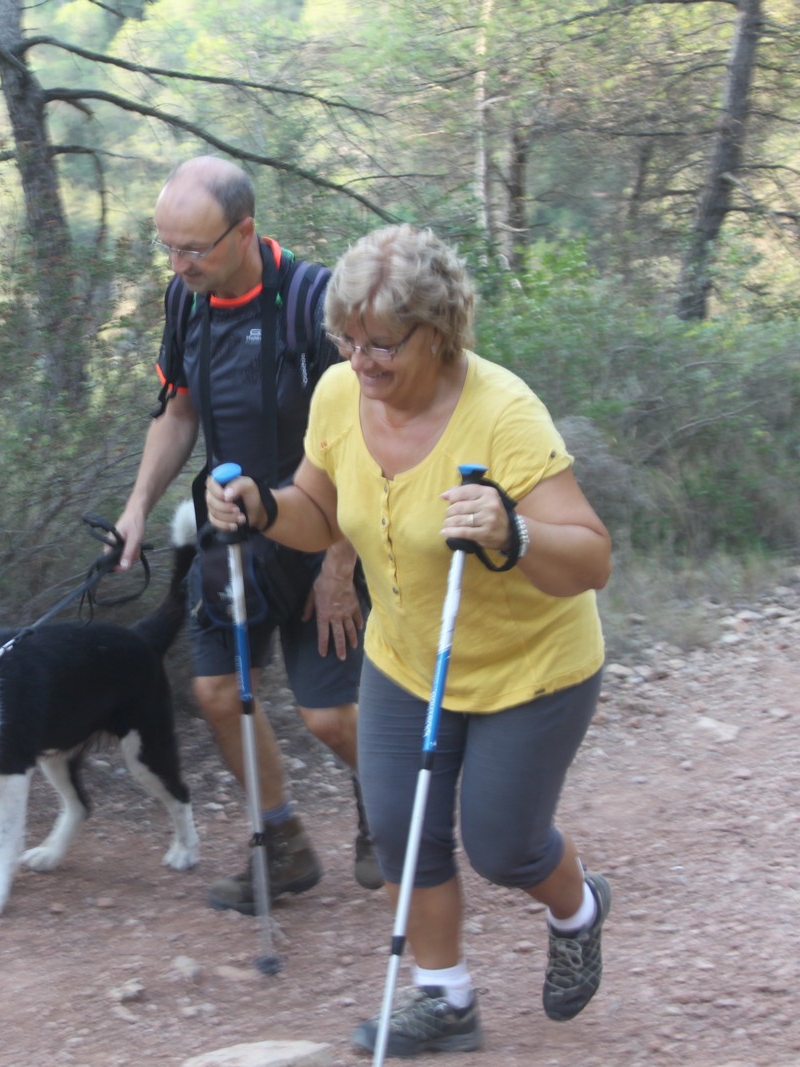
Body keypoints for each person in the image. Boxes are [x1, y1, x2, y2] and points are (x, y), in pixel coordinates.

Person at [205, 223, 613, 1055]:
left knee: (504, 845)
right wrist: (263, 507)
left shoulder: (502, 413)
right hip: (406, 659)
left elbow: (592, 556)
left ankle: (579, 910)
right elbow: (319, 514)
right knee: (400, 827)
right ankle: (445, 997)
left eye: (382, 344)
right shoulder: (339, 396)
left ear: (438, 331)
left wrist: (512, 530)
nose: (362, 361)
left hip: (529, 669)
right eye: (347, 341)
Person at [114, 156, 380, 912]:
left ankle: (386, 811)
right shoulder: (186, 300)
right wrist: (137, 505)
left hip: (319, 531)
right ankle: (283, 843)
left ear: (245, 231)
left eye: (193, 249)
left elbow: (370, 438)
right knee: (217, 690)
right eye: (168, 247)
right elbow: (179, 410)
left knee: (328, 715)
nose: (178, 264)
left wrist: (339, 566)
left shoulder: (315, 302)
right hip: (231, 533)